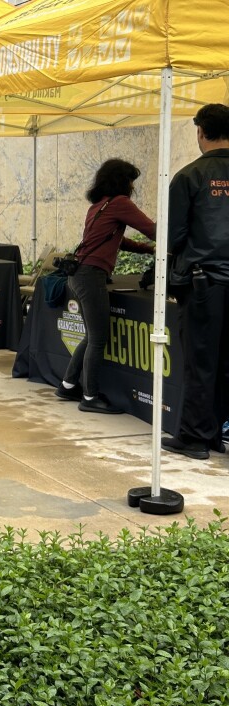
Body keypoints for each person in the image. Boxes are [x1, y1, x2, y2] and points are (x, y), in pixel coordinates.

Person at [55, 159, 156, 413]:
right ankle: (90, 397)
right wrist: (170, 239)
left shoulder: (99, 207)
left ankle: (68, 385)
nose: (133, 186)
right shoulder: (121, 203)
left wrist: (145, 250)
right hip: (91, 276)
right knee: (99, 339)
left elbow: (116, 240)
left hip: (78, 274)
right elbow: (151, 228)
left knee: (91, 336)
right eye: (131, 180)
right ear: (122, 181)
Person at [162, 103, 229, 460]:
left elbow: (174, 235)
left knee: (201, 360)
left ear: (201, 131)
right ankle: (217, 432)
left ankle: (195, 436)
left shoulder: (189, 176)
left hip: (204, 283)